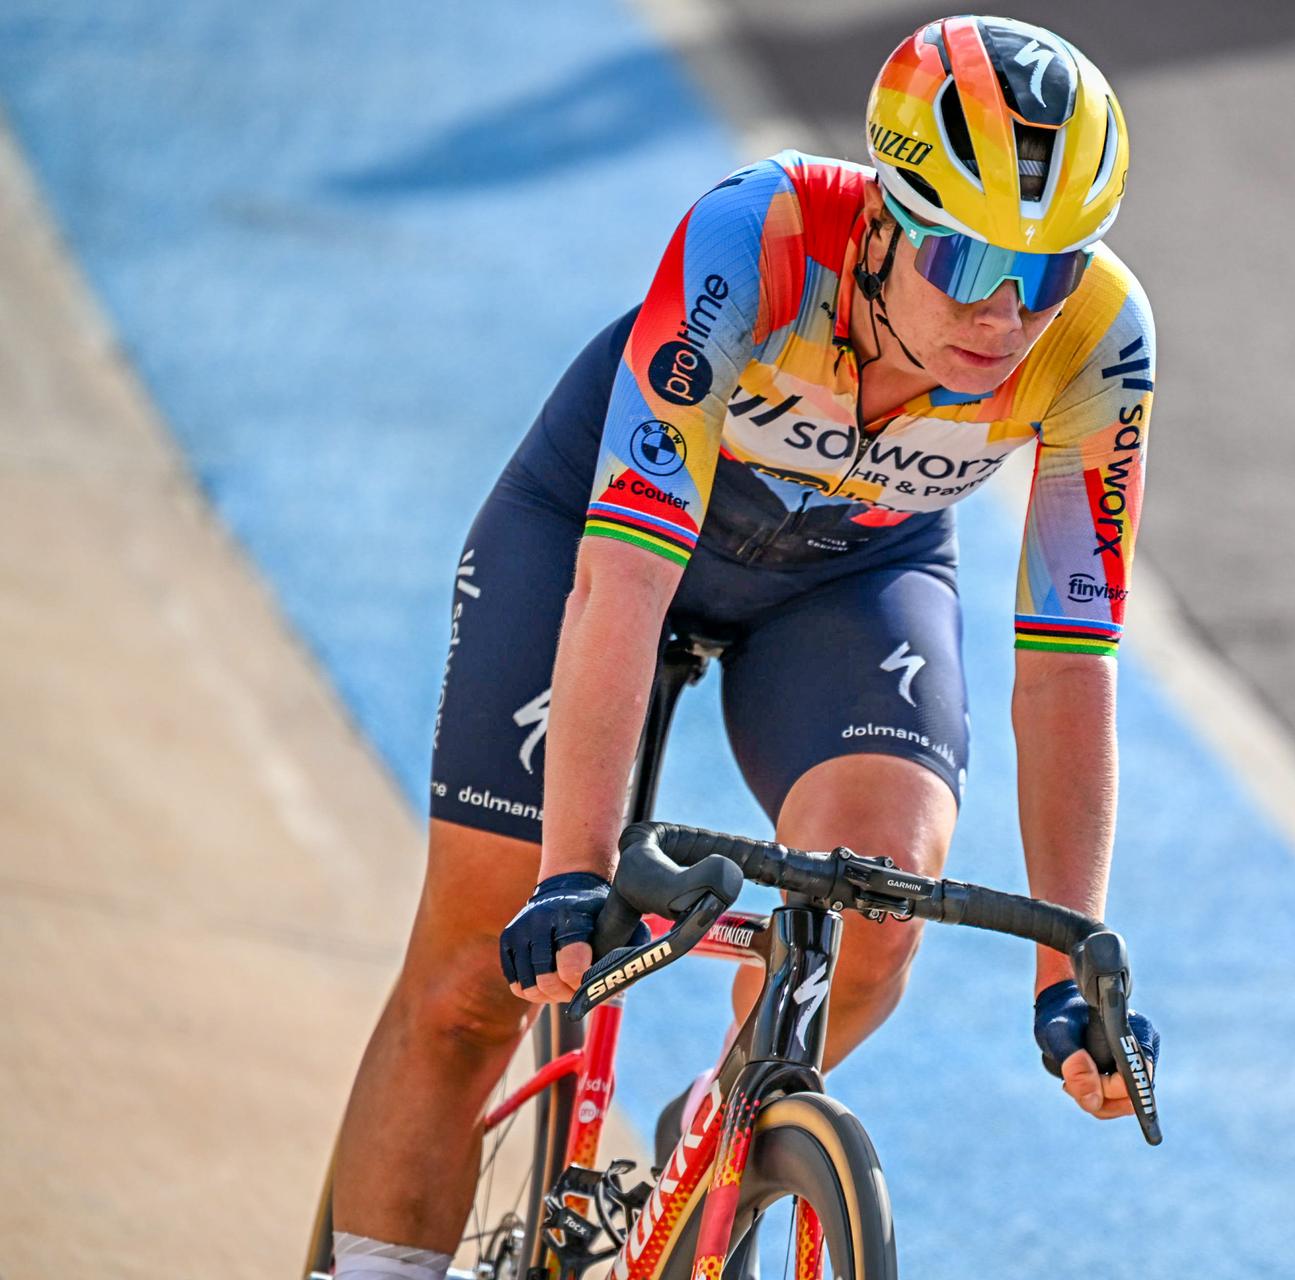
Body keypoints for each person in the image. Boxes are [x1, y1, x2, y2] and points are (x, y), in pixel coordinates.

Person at [327, 15, 1160, 1279]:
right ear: (884, 213)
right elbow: (618, 583)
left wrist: (1068, 964)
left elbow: (1067, 659)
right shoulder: (754, 241)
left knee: (880, 897)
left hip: (850, 573)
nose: (1004, 312)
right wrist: (574, 868)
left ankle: (718, 1139)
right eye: (964, 255)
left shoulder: (1101, 338)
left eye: (1043, 271)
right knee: (472, 983)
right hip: (604, 536)